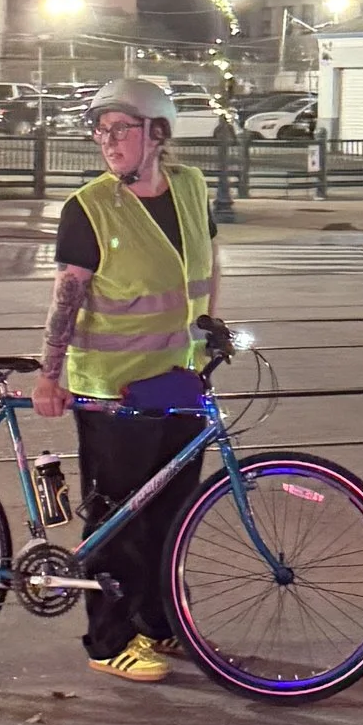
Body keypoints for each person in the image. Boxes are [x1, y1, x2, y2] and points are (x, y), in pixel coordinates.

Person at [31, 73, 220, 684]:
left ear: (157, 133)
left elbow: (208, 264)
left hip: (180, 381)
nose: (107, 141)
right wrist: (49, 375)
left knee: (173, 512)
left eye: (120, 129)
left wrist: (210, 334)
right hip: (113, 389)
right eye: (101, 130)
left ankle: (159, 623)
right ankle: (109, 640)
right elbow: (67, 297)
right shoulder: (89, 207)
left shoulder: (191, 188)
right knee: (117, 519)